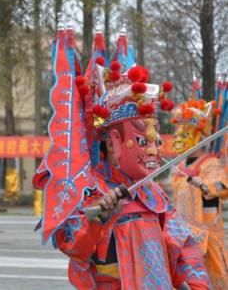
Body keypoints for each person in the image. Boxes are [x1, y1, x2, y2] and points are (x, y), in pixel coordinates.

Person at [34, 24, 209, 289]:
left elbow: (182, 244)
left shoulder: (153, 194)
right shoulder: (89, 188)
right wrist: (99, 217)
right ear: (114, 141)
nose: (153, 149)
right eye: (142, 140)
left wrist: (197, 284)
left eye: (156, 140)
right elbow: (71, 244)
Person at [170, 99, 228, 289]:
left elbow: (223, 187)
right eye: (177, 133)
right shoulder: (179, 166)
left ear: (199, 136)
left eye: (184, 133)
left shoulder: (209, 163)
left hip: (208, 234)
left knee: (215, 278)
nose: (178, 138)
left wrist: (204, 185)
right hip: (183, 234)